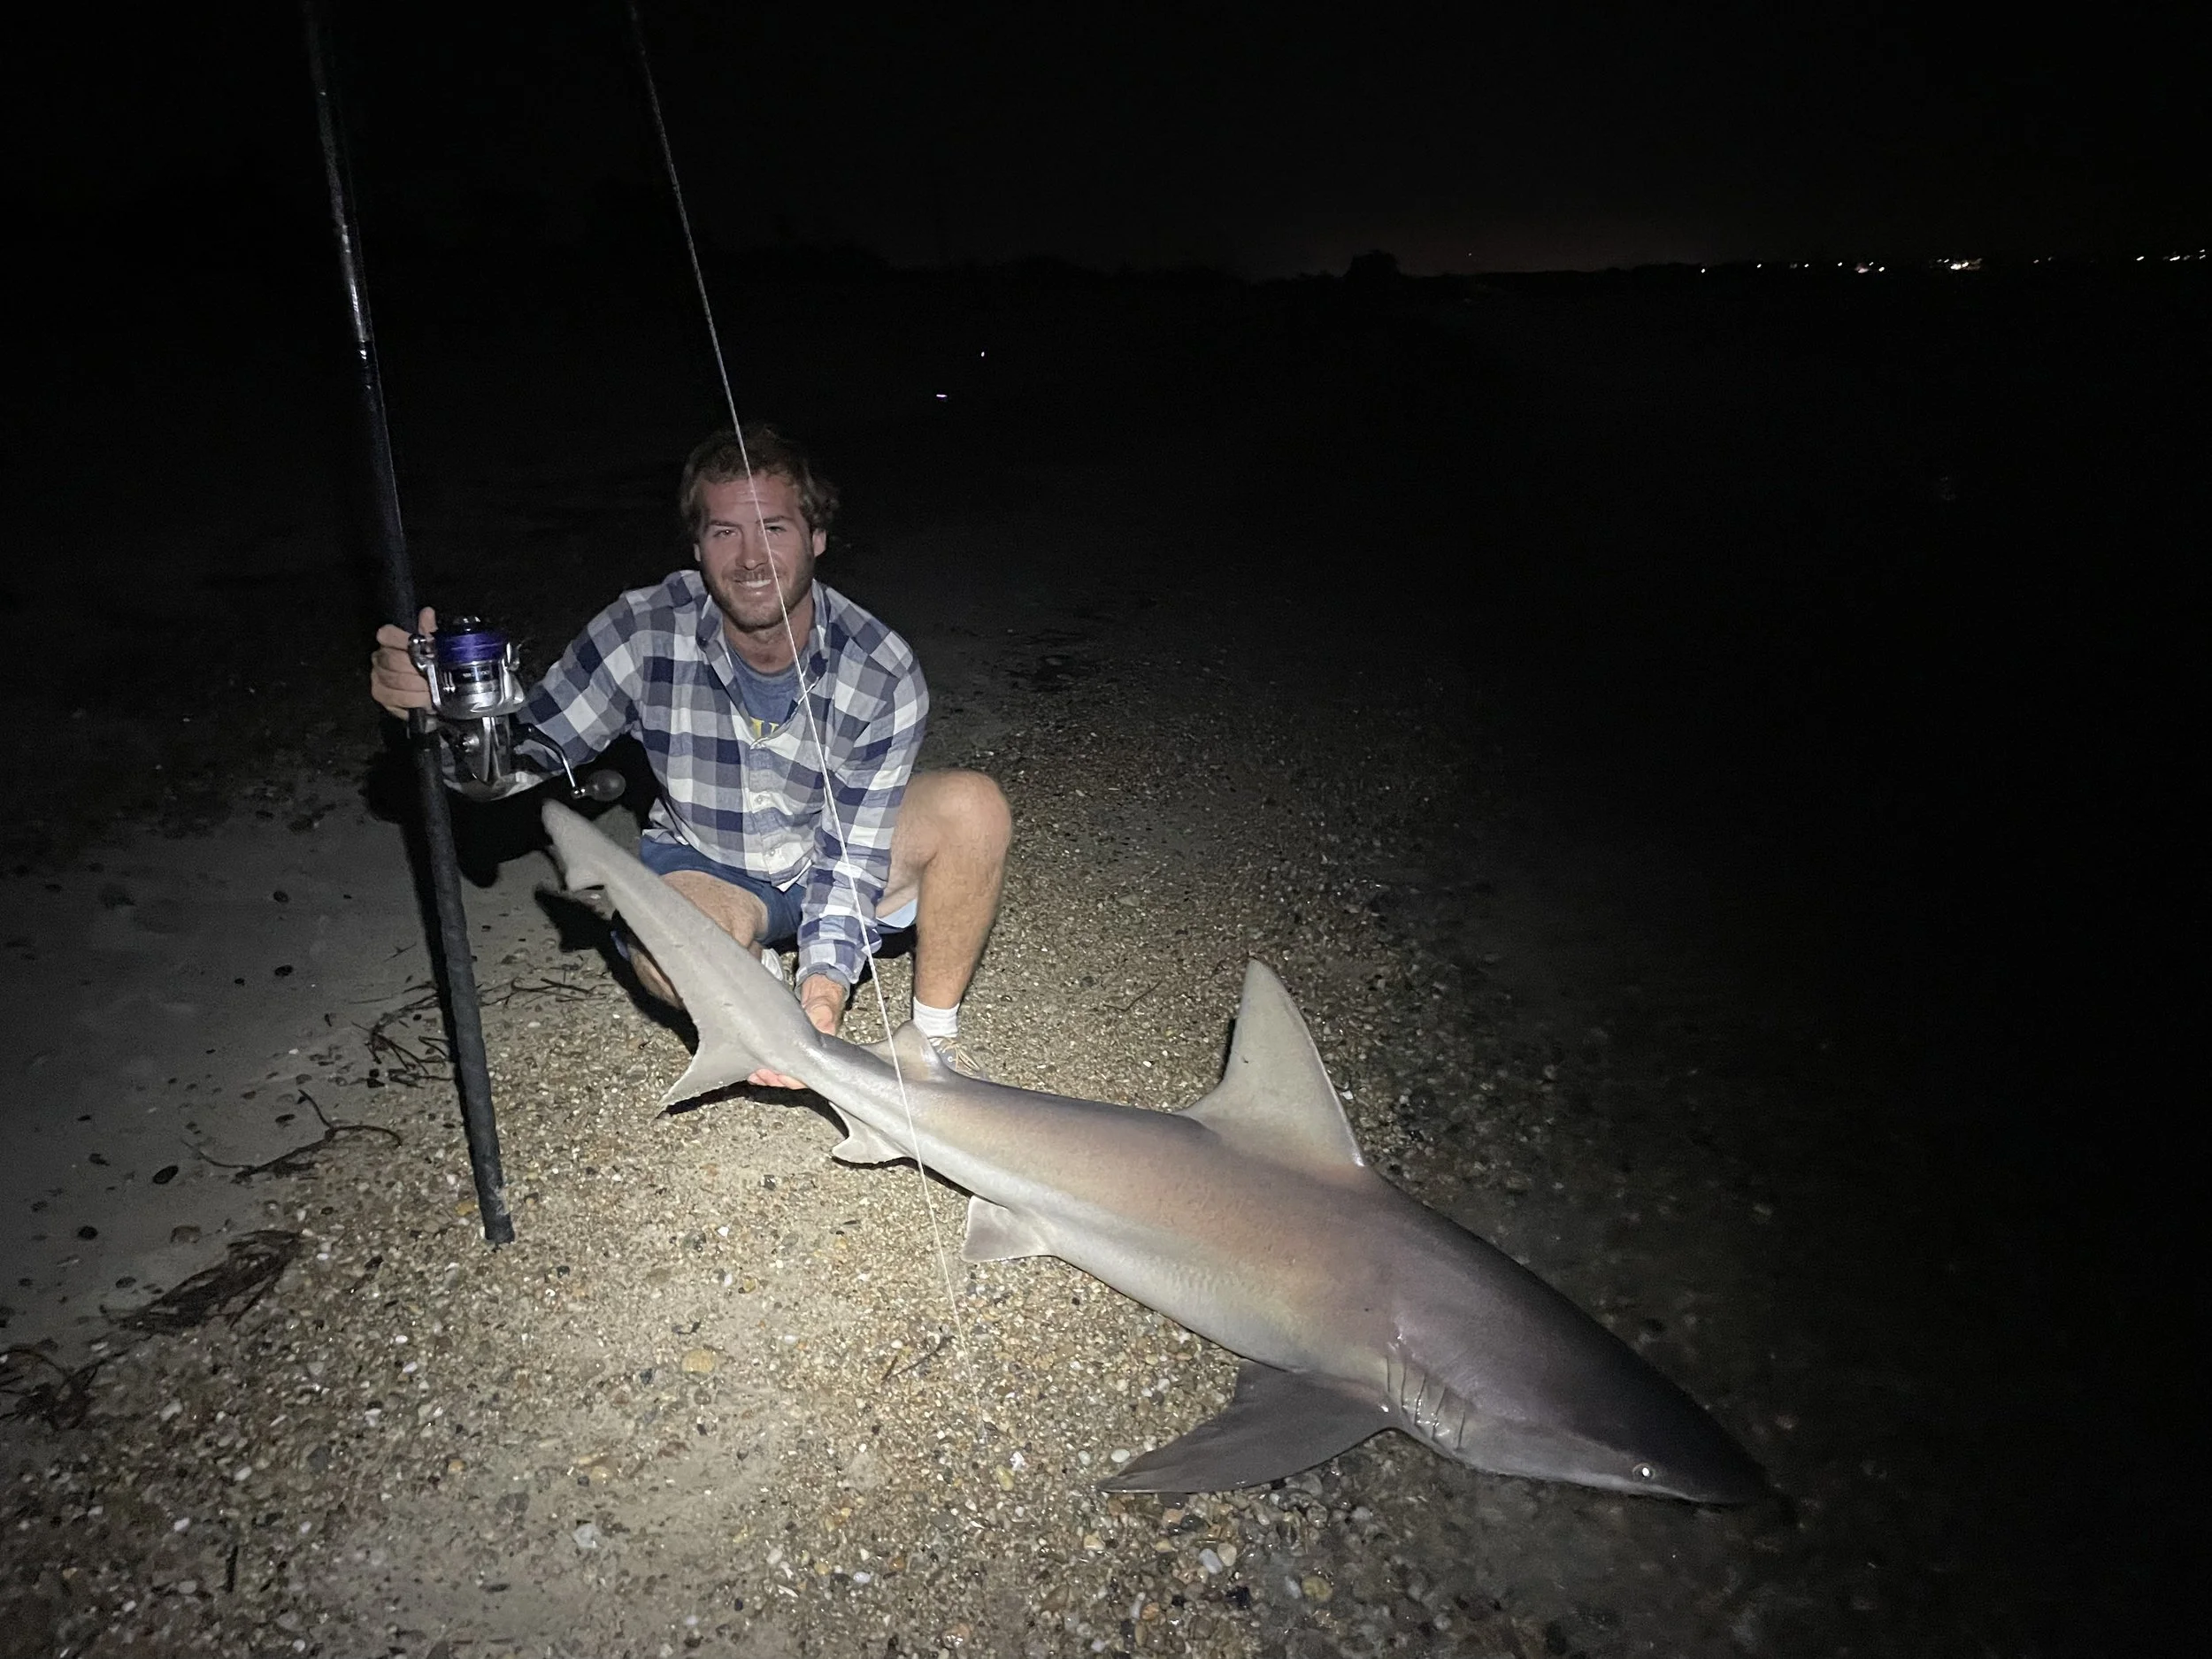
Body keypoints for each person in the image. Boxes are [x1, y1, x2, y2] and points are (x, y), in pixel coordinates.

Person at [368, 425, 1010, 1086]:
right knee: (661, 947)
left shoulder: (882, 666)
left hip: (830, 844)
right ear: (697, 546)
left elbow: (853, 855)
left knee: (975, 809)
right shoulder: (642, 628)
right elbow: (522, 758)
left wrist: (824, 988)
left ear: (817, 537)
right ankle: (748, 974)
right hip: (711, 865)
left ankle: (933, 1048)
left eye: (775, 528)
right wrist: (450, 724)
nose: (752, 557)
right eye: (726, 531)